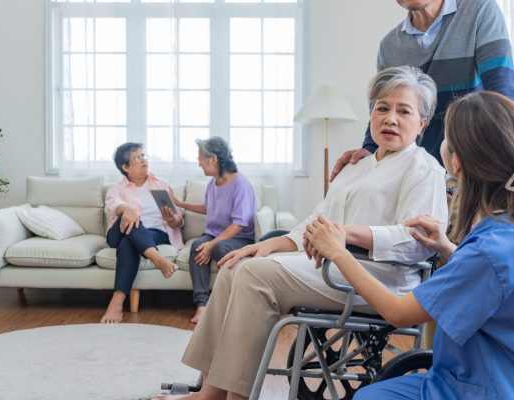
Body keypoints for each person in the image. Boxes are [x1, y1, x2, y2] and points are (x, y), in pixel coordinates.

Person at [171, 66, 449, 400]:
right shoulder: (357, 164)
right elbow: (316, 220)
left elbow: (416, 241)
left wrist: (344, 235)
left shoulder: (424, 168)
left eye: (404, 111)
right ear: (371, 114)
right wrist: (270, 244)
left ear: (422, 123)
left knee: (256, 277)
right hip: (330, 266)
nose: (390, 118)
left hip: (376, 277)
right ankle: (210, 392)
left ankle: (236, 396)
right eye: (382, 108)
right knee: (235, 265)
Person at [304, 91, 514, 399]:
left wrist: (338, 251)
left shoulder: (487, 250)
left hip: (491, 389)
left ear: (455, 162)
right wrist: (446, 248)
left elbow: (399, 313)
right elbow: (496, 283)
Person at [331, 0, 514, 176]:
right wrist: (369, 151)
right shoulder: (389, 47)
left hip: (473, 169)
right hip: (415, 175)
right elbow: (383, 107)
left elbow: (503, 98)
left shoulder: (479, 10)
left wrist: (492, 164)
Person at [170, 137, 257, 324]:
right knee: (197, 246)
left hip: (240, 238)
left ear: (213, 159)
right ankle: (202, 305)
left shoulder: (240, 184)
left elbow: (239, 224)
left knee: (218, 248)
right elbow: (208, 208)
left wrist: (212, 244)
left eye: (201, 158)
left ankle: (231, 304)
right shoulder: (213, 183)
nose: (199, 163)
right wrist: (180, 204)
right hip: (216, 234)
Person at [100, 143, 184, 324]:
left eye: (144, 156)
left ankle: (117, 301)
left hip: (155, 233)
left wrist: (172, 220)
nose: (143, 160)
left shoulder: (160, 184)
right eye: (137, 158)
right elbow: (112, 205)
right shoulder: (117, 188)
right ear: (125, 167)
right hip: (119, 232)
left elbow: (178, 219)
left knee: (129, 242)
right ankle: (157, 258)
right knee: (132, 220)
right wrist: (126, 210)